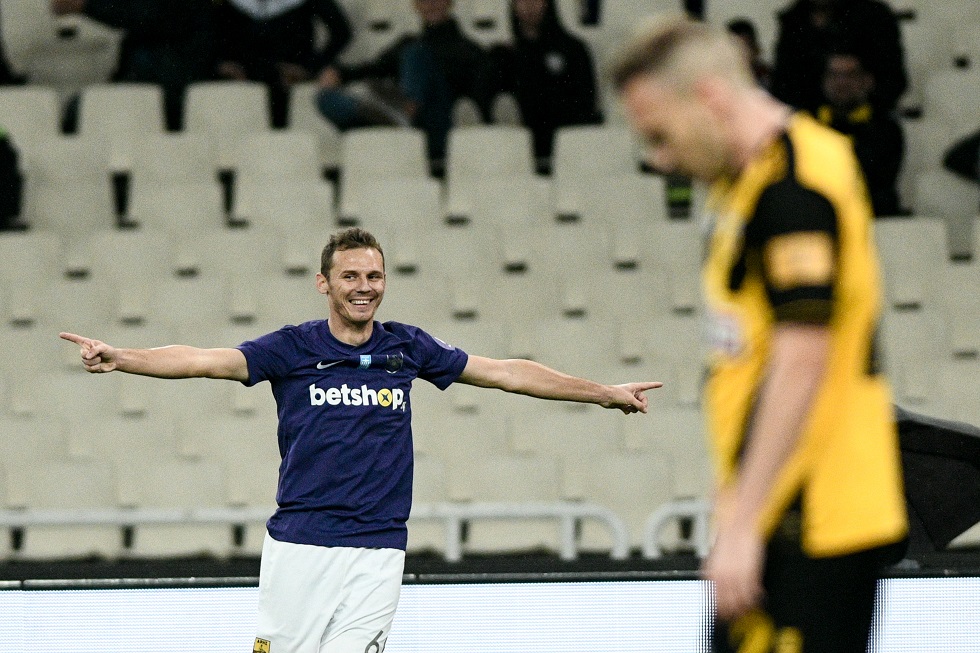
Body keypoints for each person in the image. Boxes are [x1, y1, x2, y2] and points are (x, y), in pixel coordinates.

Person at [60, 227, 662, 653]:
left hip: (378, 548)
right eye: (350, 275)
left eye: (374, 276)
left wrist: (602, 392)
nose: (364, 286)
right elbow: (203, 360)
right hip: (301, 545)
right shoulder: (292, 348)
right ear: (324, 283)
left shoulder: (407, 348)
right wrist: (124, 357)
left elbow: (505, 372)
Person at [613, 16, 908, 653]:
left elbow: (803, 357)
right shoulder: (748, 180)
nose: (660, 159)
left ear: (710, 98)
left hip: (814, 520)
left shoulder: (794, 186)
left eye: (660, 135)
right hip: (778, 511)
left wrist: (744, 523)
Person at [315, 0, 495, 160]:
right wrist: (339, 73)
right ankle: (396, 122)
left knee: (415, 53)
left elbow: (476, 102)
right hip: (401, 129)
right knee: (327, 99)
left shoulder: (469, 51)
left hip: (437, 130)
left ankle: (404, 117)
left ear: (449, 2)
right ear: (416, 5)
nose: (431, 4)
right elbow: (373, 68)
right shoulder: (407, 43)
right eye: (424, 0)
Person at [50, 0, 216, 132]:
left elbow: (147, 14)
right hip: (154, 79)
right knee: (82, 109)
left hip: (176, 84)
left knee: (83, 109)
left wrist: (85, 5)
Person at [490, 0, 603, 159]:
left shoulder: (574, 50)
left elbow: (586, 102)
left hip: (565, 139)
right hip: (519, 144)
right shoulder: (503, 56)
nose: (529, 5)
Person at [213, 0, 352, 128]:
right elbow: (215, 36)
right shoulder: (229, 5)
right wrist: (223, 63)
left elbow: (342, 33)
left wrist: (311, 67)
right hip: (249, 68)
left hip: (295, 66)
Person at [770, 0, 908, 114]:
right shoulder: (794, 21)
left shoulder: (873, 16)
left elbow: (893, 80)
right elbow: (783, 84)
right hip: (809, 122)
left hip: (868, 123)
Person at [814, 50, 904, 216]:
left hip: (873, 216)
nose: (841, 82)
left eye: (850, 75)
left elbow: (874, 180)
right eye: (834, 75)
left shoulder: (886, 129)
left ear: (867, 80)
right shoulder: (808, 125)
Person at [725, 18, 771, 90]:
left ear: (754, 48)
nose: (741, 53)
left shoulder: (766, 76)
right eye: (736, 48)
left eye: (746, 47)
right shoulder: (720, 78)